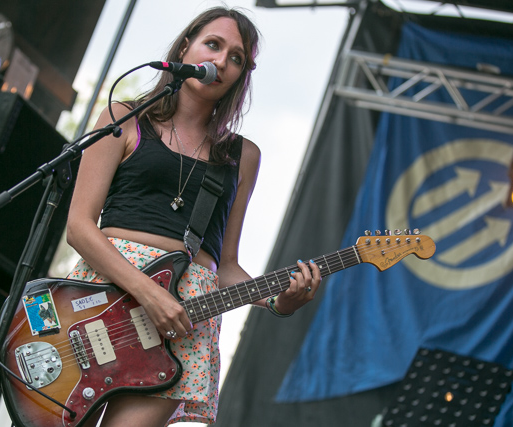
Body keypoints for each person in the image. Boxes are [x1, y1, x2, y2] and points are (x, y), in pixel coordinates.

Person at [65, 6, 321, 426]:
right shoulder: (123, 118)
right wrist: (150, 294)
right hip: (100, 303)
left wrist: (279, 300)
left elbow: (227, 267)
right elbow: (78, 225)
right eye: (213, 45)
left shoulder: (243, 156)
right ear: (187, 47)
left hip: (182, 328)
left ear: (241, 75)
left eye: (236, 58)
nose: (221, 62)